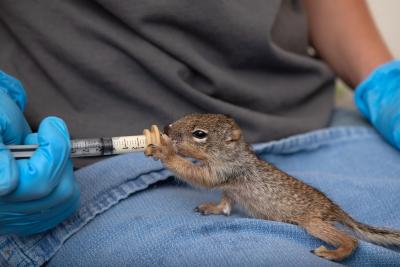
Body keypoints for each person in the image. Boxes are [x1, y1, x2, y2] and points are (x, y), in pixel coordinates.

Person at [0, 0, 399, 266]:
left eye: (200, 137)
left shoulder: (228, 164)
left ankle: (343, 244)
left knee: (357, 237)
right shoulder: (229, 163)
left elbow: (207, 176)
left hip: (322, 123)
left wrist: (382, 79)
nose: (181, 137)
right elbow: (216, 180)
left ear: (228, 142)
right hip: (96, 176)